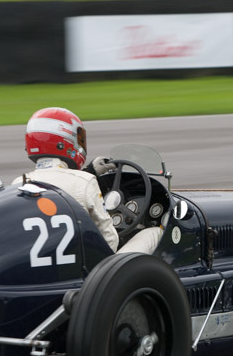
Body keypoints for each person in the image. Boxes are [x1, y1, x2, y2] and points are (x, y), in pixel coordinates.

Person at [14, 107, 162, 255]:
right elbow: (110, 239)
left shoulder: (17, 184)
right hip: (88, 271)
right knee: (154, 232)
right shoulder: (84, 182)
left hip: (38, 267)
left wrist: (88, 171)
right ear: (64, 141)